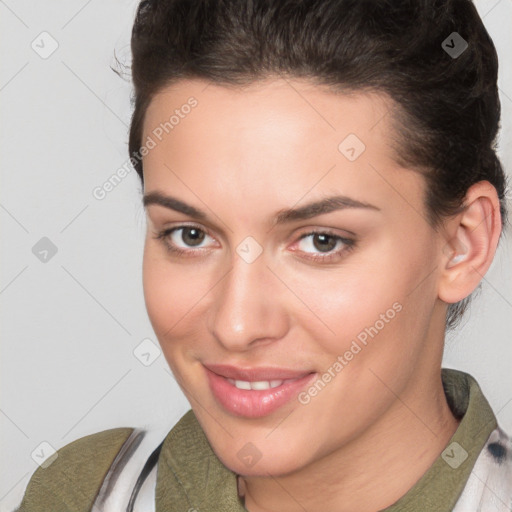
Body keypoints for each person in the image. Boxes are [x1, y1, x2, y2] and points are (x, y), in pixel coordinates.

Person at [16, 0, 512, 511]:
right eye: (190, 235)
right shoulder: (83, 497)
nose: (236, 325)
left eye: (322, 241)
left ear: (462, 244)